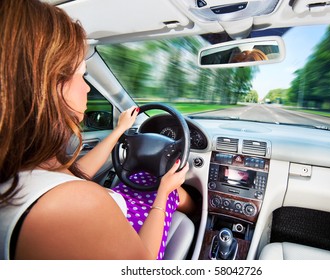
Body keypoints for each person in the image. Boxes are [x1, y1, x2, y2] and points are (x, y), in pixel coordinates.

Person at [0, 0, 192, 260]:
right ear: (47, 85)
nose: (88, 88)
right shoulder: (75, 205)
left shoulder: (25, 172)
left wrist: (119, 129)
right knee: (177, 195)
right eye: (82, 74)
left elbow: (75, 176)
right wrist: (164, 192)